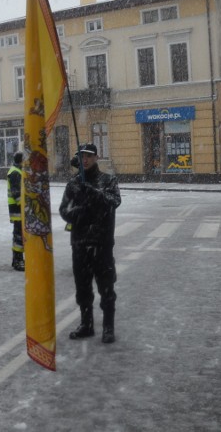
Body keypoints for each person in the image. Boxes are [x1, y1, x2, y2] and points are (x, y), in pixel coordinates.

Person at [58, 143, 121, 344]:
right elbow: (63, 210)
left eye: (89, 156)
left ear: (96, 158)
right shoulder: (73, 183)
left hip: (102, 244)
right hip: (80, 244)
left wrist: (93, 193)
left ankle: (108, 327)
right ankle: (87, 324)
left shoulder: (108, 180)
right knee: (83, 288)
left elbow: (114, 202)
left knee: (106, 288)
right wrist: (78, 212)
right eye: (82, 156)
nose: (85, 159)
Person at [7, 151, 24, 271]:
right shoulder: (15, 172)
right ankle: (18, 261)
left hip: (17, 210)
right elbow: (16, 193)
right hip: (18, 210)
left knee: (18, 235)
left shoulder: (16, 171)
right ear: (21, 161)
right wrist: (24, 206)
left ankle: (16, 260)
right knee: (19, 236)